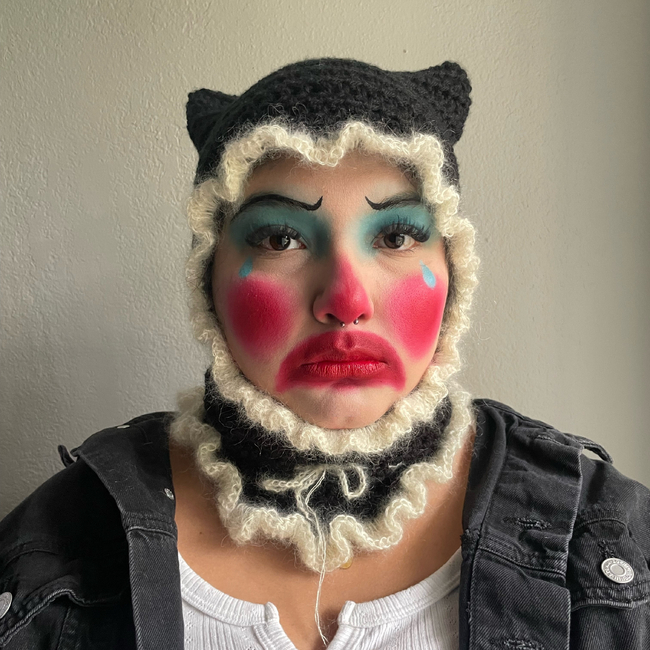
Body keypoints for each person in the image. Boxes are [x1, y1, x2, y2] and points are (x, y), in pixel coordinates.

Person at [0, 58, 648, 650]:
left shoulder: (609, 538)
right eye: (281, 238)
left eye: (396, 235)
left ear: (454, 269)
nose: (345, 301)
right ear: (208, 278)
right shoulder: (58, 542)